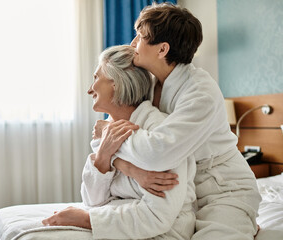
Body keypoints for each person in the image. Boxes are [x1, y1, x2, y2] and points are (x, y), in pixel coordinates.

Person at [91, 3, 261, 240]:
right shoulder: (148, 84)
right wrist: (127, 167)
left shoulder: (201, 93)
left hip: (223, 189)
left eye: (140, 37)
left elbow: (158, 152)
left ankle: (241, 219)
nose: (132, 44)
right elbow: (104, 147)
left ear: (162, 49)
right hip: (181, 194)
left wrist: (110, 133)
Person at [43, 45, 197, 239]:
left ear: (116, 83)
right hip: (123, 222)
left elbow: (158, 217)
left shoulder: (159, 134)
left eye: (96, 78)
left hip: (165, 233)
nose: (90, 89)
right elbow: (92, 200)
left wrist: (85, 219)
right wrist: (104, 157)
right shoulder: (106, 129)